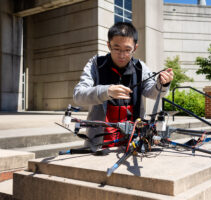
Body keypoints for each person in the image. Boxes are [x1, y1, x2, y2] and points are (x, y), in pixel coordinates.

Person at [73, 22, 173, 151]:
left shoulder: (140, 67)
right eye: (116, 48)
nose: (121, 55)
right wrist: (106, 91)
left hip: (133, 142)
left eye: (127, 50)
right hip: (99, 142)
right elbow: (78, 95)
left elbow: (152, 92)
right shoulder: (96, 64)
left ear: (135, 48)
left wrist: (163, 84)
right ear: (108, 45)